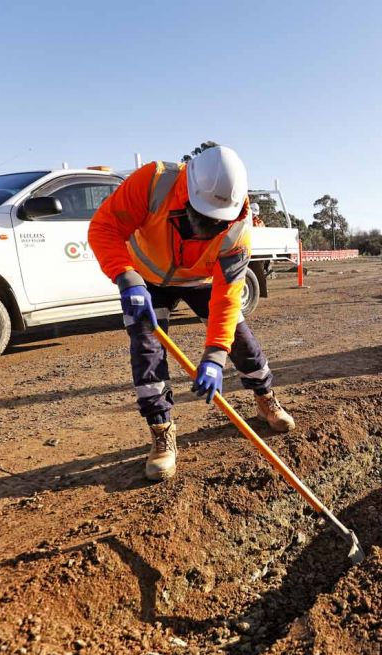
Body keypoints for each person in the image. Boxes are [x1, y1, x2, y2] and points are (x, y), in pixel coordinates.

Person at [88, 146, 295, 482]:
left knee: (240, 340)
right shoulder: (153, 183)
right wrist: (125, 276)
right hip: (146, 279)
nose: (209, 228)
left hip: (202, 280)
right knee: (146, 348)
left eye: (218, 222)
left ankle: (266, 399)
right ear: (187, 193)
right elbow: (104, 228)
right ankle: (161, 432)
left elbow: (227, 300)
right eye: (204, 218)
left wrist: (214, 356)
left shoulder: (238, 230)